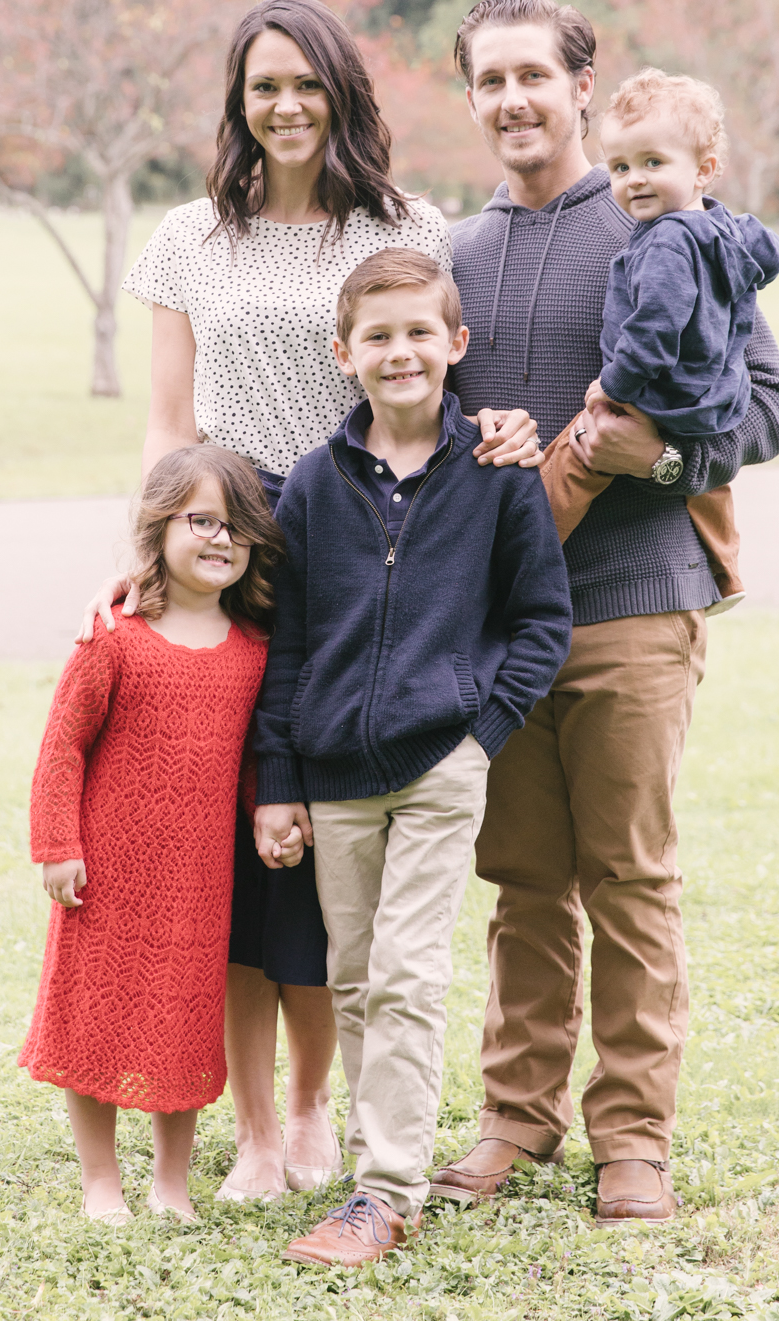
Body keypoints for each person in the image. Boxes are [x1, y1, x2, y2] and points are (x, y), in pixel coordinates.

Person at [77, 0, 541, 1200]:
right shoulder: (191, 236)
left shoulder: (403, 226)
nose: (284, 105)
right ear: (238, 99)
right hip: (227, 555)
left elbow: (434, 363)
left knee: (331, 864)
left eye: (305, 82)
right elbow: (171, 422)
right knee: (243, 854)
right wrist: (149, 553)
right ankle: (254, 1131)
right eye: (261, 85)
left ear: (341, 90)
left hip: (360, 555)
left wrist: (495, 426)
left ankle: (313, 1112)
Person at [428, 0, 779, 1225]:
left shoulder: (667, 225)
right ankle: (513, 1122)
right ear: (473, 97)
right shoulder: (460, 258)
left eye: (535, 74)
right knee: (524, 879)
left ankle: (634, 1137)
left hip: (638, 604)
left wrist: (661, 461)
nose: (513, 100)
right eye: (490, 81)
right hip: (504, 624)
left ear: (583, 85)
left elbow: (769, 408)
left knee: (629, 878)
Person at [250, 249, 573, 1267]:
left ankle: (383, 1195)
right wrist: (279, 781)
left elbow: (539, 620)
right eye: (379, 336)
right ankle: (376, 1166)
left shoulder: (497, 475)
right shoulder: (313, 484)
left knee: (406, 974)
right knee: (353, 978)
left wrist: (478, 736)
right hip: (335, 769)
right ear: (345, 353)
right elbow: (290, 644)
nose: (401, 353)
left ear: (456, 345)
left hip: (440, 765)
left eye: (419, 333)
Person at [20, 444, 283, 1222]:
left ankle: (171, 1181)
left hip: (199, 881)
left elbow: (248, 763)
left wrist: (271, 818)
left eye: (237, 528)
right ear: (160, 525)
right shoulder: (116, 636)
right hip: (107, 871)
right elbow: (62, 743)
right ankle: (101, 1179)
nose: (220, 539)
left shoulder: (251, 652)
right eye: (201, 520)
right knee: (93, 1013)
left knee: (188, 1021)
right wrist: (57, 843)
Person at [565, 67, 779, 610]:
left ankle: (522, 556)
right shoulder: (721, 228)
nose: (633, 179)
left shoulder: (664, 243)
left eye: (652, 163)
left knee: (573, 463)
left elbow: (653, 333)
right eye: (619, 167)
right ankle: (725, 573)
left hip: (665, 390)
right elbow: (771, 253)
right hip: (716, 392)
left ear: (705, 169)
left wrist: (611, 386)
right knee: (708, 487)